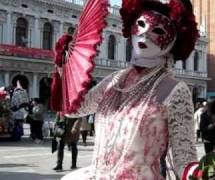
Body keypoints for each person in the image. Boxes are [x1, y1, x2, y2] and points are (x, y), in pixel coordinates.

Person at [59, 0, 199, 179]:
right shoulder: (114, 80)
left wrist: (204, 173)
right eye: (140, 24)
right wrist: (66, 68)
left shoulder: (174, 90)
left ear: (173, 41)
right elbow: (75, 109)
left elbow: (184, 158)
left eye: (157, 30)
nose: (144, 33)